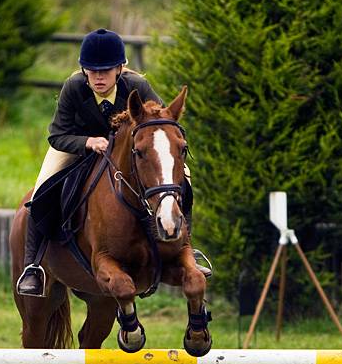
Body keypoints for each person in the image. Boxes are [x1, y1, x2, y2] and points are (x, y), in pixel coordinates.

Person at [17, 28, 211, 297]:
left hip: (126, 149)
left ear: (120, 68)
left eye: (106, 70)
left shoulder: (137, 86)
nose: (98, 76)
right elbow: (57, 135)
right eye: (91, 70)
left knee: (183, 177)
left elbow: (163, 122)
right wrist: (88, 142)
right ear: (83, 70)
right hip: (75, 145)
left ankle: (185, 245)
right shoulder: (74, 87)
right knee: (41, 190)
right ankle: (33, 266)